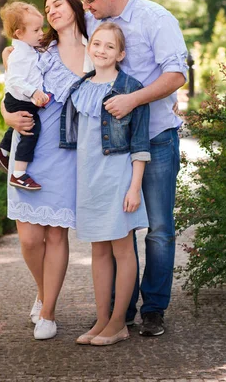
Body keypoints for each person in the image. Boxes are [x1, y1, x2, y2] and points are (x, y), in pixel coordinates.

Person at [76, 0, 188, 337]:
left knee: (158, 228)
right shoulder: (94, 20)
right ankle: (118, 313)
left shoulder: (155, 19)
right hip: (112, 151)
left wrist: (134, 99)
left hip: (155, 137)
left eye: (90, 0)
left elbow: (177, 75)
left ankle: (153, 309)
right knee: (117, 228)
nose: (86, 7)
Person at [1, 0, 91, 341]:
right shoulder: (37, 49)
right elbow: (11, 91)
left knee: (55, 234)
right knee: (28, 238)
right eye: (47, 7)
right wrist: (8, 117)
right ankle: (42, 290)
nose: (51, 11)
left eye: (58, 4)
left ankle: (49, 310)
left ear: (75, 7)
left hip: (67, 152)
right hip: (30, 148)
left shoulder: (93, 49)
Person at [60, 23, 150, 346]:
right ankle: (101, 319)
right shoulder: (80, 88)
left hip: (118, 179)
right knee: (98, 250)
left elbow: (140, 144)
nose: (101, 50)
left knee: (122, 250)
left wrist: (134, 186)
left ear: (120, 54)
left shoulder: (130, 88)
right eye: (96, 44)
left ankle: (118, 323)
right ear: (89, 47)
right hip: (90, 180)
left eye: (109, 47)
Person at [0, 1, 49, 191]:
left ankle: (3, 150)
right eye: (36, 30)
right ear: (19, 34)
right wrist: (34, 92)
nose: (41, 33)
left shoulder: (28, 50)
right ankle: (18, 174)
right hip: (19, 99)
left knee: (23, 124)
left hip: (21, 99)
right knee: (31, 129)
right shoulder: (19, 55)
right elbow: (14, 80)